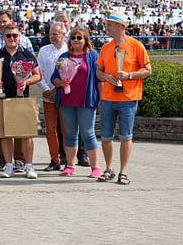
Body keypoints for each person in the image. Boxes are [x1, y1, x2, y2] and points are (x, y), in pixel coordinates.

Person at [96, 11, 152, 185]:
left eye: (110, 25)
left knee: (126, 135)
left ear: (120, 26)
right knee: (105, 136)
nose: (107, 28)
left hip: (128, 98)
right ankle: (109, 168)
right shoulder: (106, 47)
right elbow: (99, 71)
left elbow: (148, 70)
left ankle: (124, 171)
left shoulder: (136, 46)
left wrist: (128, 76)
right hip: (107, 97)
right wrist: (106, 78)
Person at [0, 23, 41, 179]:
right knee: (4, 134)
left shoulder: (27, 55)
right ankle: (8, 165)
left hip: (22, 98)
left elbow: (38, 75)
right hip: (3, 98)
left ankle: (29, 166)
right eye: (8, 35)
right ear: (3, 37)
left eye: (15, 35)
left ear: (19, 36)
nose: (12, 38)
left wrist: (26, 82)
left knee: (26, 135)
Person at [51, 27, 102, 177]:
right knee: (71, 134)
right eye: (73, 37)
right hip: (67, 102)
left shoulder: (92, 56)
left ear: (85, 40)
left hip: (86, 102)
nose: (75, 40)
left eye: (79, 38)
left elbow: (99, 80)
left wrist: (101, 101)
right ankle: (70, 166)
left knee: (88, 133)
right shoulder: (64, 57)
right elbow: (53, 78)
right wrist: (60, 82)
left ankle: (95, 167)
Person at [37, 22, 68, 171]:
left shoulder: (70, 50)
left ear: (63, 34)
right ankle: (55, 159)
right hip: (47, 95)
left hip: (65, 96)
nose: (52, 37)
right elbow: (38, 72)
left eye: (55, 34)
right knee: (50, 129)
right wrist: (46, 88)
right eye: (50, 34)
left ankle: (68, 159)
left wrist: (58, 89)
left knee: (66, 128)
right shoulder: (43, 50)